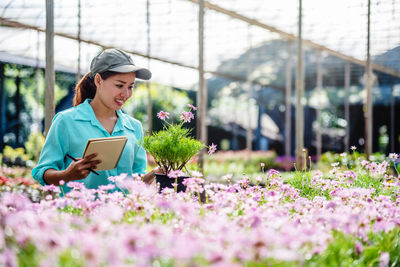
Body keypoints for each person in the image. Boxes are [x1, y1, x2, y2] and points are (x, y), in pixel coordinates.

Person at [32, 48, 161, 193]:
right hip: (80, 213)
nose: (126, 94)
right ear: (99, 81)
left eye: (130, 86)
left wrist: (154, 174)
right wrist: (67, 175)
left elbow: (136, 180)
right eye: (119, 85)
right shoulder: (66, 122)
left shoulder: (134, 127)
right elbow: (42, 172)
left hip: (123, 214)